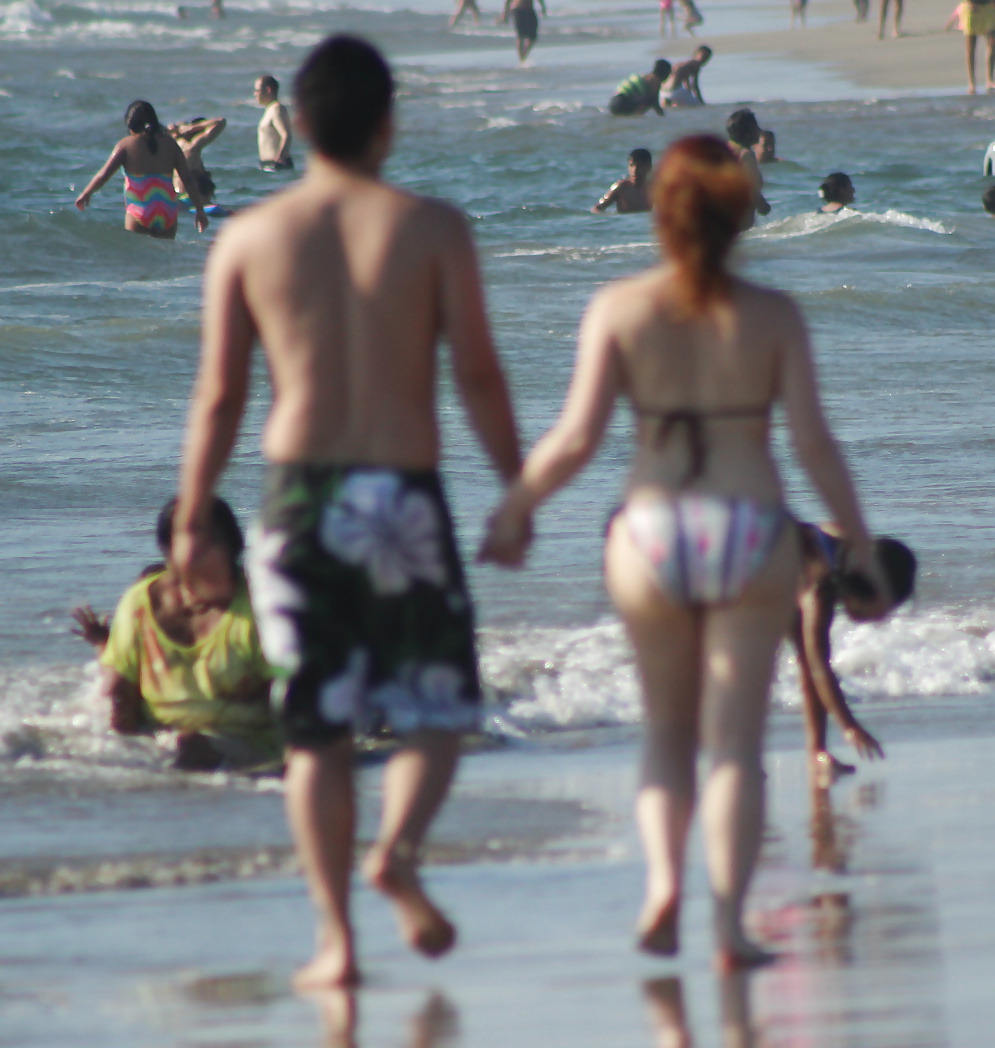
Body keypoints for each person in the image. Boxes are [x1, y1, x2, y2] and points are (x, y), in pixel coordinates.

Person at [481, 135, 889, 970]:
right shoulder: (772, 315)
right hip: (750, 531)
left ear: (660, 215)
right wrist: (864, 544)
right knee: (736, 744)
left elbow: (575, 439)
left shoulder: (619, 309)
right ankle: (730, 928)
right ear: (742, 214)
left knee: (668, 734)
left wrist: (518, 505)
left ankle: (666, 885)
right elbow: (814, 447)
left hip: (651, 532)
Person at [172, 35, 521, 988]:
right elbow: (480, 375)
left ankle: (335, 941)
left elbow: (218, 398)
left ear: (299, 124)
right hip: (402, 496)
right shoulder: (434, 228)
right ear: (387, 123)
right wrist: (518, 488)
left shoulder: (248, 238)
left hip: (297, 500)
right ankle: (396, 852)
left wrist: (193, 517)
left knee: (316, 728)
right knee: (441, 709)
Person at [71, 498, 280, 771]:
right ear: (169, 554)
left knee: (193, 745)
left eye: (215, 545)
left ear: (235, 549)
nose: (208, 560)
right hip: (158, 741)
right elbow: (119, 698)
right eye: (193, 550)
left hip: (250, 746)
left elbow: (296, 697)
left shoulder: (262, 608)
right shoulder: (138, 603)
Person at [793, 523, 916, 784]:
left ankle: (816, 751)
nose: (880, 617)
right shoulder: (820, 588)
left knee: (805, 656)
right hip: (743, 572)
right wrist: (848, 726)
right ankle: (734, 755)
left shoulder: (849, 550)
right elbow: (818, 666)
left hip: (776, 565)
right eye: (881, 607)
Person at [75, 100, 209, 239]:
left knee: (136, 258)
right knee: (164, 257)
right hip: (167, 211)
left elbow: (103, 175)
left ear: (131, 125)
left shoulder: (126, 144)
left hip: (140, 211)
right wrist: (200, 210)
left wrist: (86, 193)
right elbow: (186, 178)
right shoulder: (170, 144)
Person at [725, 108, 770, 228]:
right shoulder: (746, 155)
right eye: (756, 127)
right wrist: (764, 207)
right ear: (748, 130)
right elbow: (751, 190)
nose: (759, 131)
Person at [168, 116, 227, 203]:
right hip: (189, 199)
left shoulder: (175, 142)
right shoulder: (192, 146)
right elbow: (221, 122)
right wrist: (193, 127)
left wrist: (176, 127)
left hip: (177, 196)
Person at [945, 0, 995, 94]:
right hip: (971, 7)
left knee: (992, 43)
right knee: (971, 47)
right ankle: (972, 83)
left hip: (989, 6)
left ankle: (990, 80)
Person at [592, 148, 653, 213]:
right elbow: (597, 208)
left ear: (649, 167)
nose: (635, 170)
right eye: (632, 165)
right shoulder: (621, 187)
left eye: (639, 165)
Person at [254, 75, 294, 170]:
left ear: (268, 90)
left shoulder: (277, 108)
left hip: (277, 164)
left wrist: (279, 158)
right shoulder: (269, 109)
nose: (255, 94)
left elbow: (286, 135)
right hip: (267, 164)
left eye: (257, 90)